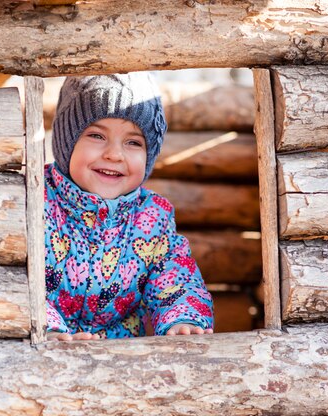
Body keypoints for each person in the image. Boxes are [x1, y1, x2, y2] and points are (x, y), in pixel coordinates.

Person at [45, 73, 214, 341]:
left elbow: (175, 280)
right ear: (66, 142)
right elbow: (16, 281)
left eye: (133, 142)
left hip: (124, 362)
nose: (114, 154)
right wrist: (47, 328)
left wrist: (181, 319)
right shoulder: (37, 202)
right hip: (42, 360)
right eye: (97, 135)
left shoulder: (152, 217)